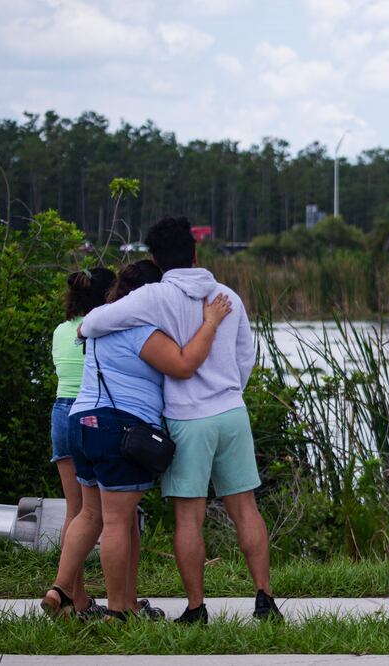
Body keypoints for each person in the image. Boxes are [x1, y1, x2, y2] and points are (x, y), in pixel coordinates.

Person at [80, 217, 279, 624]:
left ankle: (196, 608)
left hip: (188, 419)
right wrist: (228, 391)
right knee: (246, 508)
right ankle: (264, 599)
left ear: (155, 258)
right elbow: (246, 358)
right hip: (231, 412)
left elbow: (98, 321)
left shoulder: (154, 296)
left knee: (189, 518)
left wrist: (83, 326)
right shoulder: (228, 296)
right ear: (196, 253)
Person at [42, 260, 232, 620]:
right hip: (117, 427)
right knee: (116, 522)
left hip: (79, 422)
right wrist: (210, 323)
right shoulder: (139, 330)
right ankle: (118, 611)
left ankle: (62, 588)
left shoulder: (96, 327)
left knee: (89, 513)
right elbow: (183, 364)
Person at [49, 267, 115, 616]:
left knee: (74, 511)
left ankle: (76, 597)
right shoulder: (99, 331)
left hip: (60, 413)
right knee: (98, 513)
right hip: (88, 413)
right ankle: (72, 594)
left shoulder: (61, 331)